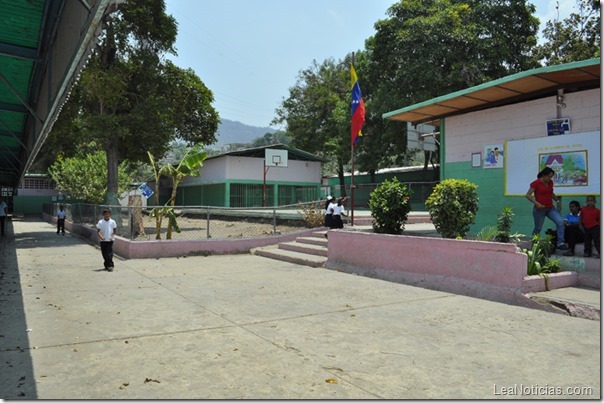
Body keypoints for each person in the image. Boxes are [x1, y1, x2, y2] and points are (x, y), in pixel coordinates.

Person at [525, 167, 567, 250]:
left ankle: (560, 243)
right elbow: (528, 195)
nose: (550, 178)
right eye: (549, 176)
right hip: (539, 209)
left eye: (551, 177)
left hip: (550, 208)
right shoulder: (536, 183)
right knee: (538, 227)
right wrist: (537, 203)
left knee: (560, 222)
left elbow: (550, 193)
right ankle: (534, 243)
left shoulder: (550, 183)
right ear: (544, 175)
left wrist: (558, 201)